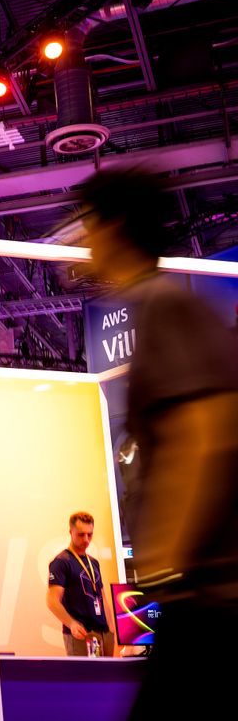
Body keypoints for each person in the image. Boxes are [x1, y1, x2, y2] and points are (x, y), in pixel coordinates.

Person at [78, 168, 238, 720]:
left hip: (206, 593)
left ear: (114, 226)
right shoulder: (163, 303)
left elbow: (206, 434)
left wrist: (168, 562)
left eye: (88, 224)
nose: (83, 238)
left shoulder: (163, 303)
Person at [47, 512, 114, 656]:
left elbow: (102, 597)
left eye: (90, 535)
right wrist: (71, 623)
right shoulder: (61, 562)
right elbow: (52, 601)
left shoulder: (94, 562)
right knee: (86, 677)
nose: (86, 539)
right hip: (81, 634)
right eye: (81, 534)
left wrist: (111, 628)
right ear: (71, 532)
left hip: (102, 632)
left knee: (105, 677)